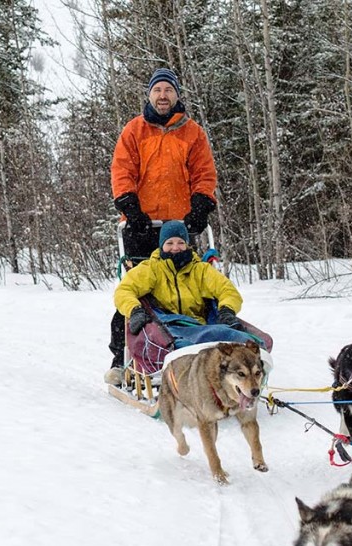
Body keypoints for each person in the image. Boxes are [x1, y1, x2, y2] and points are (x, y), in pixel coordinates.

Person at [105, 67, 219, 384]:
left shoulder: (192, 133)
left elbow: (204, 174)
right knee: (138, 292)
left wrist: (201, 206)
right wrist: (129, 205)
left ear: (177, 95)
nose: (163, 95)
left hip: (179, 228)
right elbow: (122, 170)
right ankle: (123, 359)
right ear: (150, 94)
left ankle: (198, 350)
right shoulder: (135, 131)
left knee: (191, 291)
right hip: (141, 224)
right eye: (158, 90)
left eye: (168, 90)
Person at [114, 221, 256, 354]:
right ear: (161, 245)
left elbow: (227, 290)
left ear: (187, 245)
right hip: (166, 327)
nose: (175, 247)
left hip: (200, 325)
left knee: (244, 341)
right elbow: (124, 290)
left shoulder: (200, 269)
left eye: (180, 242)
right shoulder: (151, 268)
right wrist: (135, 310)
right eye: (169, 243)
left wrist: (227, 310)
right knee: (183, 348)